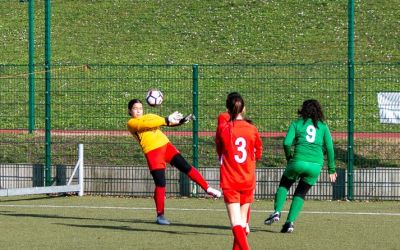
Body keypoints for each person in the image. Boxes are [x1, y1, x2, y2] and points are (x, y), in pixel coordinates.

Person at [127, 99, 221, 225]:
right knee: (161, 184)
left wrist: (181, 121)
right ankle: (160, 215)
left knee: (186, 167)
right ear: (129, 111)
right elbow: (147, 125)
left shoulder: (150, 116)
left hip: (166, 146)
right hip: (152, 153)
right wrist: (166, 119)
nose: (138, 110)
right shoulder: (131, 123)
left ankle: (207, 188)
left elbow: (167, 122)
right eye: (135, 108)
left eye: (140, 108)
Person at [264, 99, 337, 233]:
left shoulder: (296, 124)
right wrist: (331, 169)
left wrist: (289, 158)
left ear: (303, 110)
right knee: (301, 193)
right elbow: (330, 148)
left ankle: (277, 211)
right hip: (316, 165)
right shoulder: (323, 126)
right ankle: (289, 223)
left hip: (297, 161)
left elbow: (286, 143)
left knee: (284, 185)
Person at [215, 93, 262, 250]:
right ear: (244, 108)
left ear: (227, 109)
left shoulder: (224, 129)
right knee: (242, 224)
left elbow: (219, 151)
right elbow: (258, 153)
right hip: (248, 179)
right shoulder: (252, 129)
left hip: (230, 179)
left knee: (236, 223)